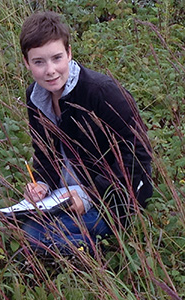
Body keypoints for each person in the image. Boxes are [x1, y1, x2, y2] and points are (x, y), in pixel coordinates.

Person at [18, 11, 153, 256]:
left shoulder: (102, 92)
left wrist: (90, 195)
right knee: (18, 225)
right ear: (26, 62)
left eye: (57, 58)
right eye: (39, 62)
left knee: (33, 235)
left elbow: (139, 156)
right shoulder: (34, 97)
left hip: (113, 198)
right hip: (63, 196)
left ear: (69, 53)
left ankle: (95, 252)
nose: (50, 70)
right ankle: (81, 243)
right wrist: (41, 183)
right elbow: (44, 152)